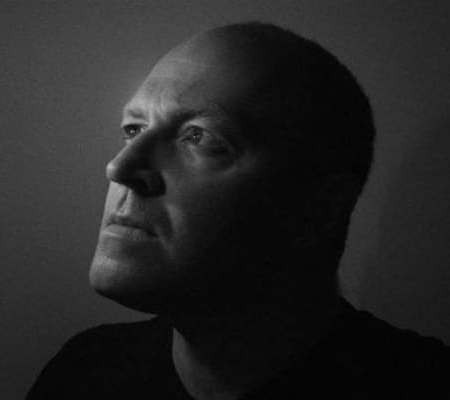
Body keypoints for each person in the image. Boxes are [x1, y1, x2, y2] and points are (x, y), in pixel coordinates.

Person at [27, 22, 449, 399]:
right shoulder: (85, 373)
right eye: (133, 129)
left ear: (319, 209)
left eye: (199, 137)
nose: (119, 168)